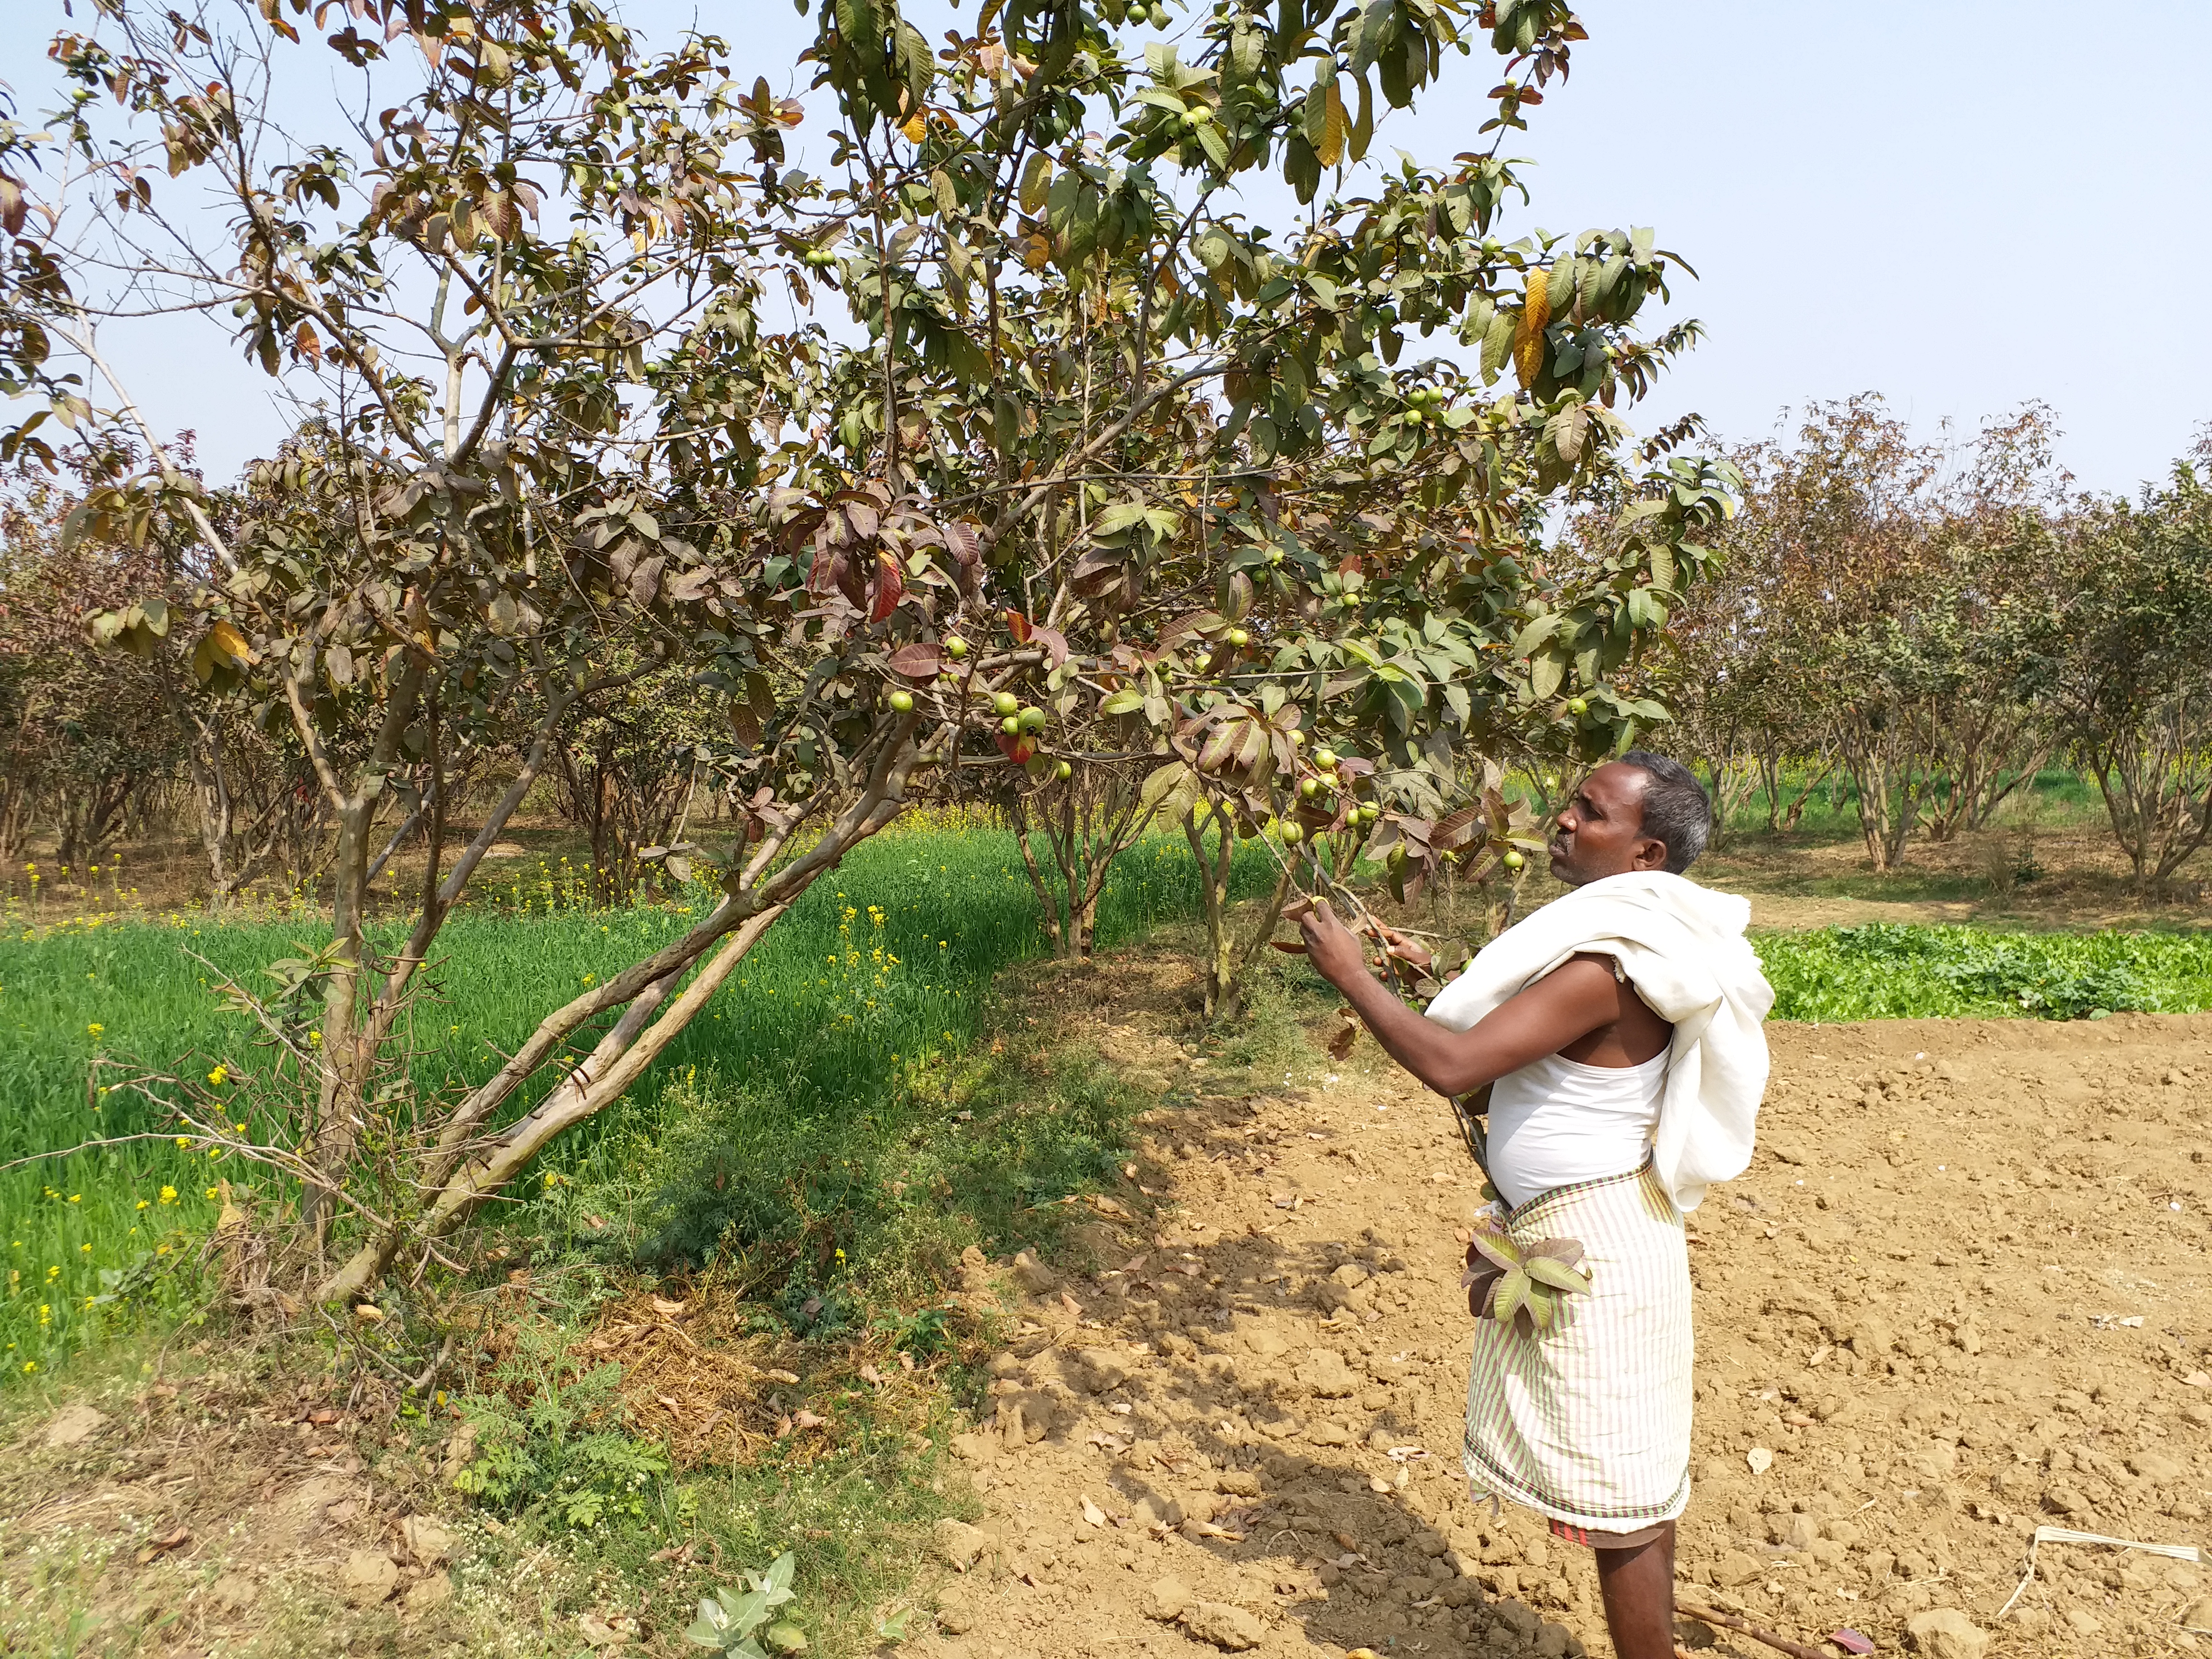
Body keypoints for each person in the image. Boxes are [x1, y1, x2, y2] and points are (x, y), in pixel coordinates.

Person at [1288, 753, 1773, 1659]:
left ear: (1646, 853)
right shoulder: (1623, 944)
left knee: (1621, 1497)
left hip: (1601, 1247)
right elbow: (1518, 1056)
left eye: (1589, 813)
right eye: (1571, 803)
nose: (1561, 819)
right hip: (1589, 1231)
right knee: (1628, 1479)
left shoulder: (1609, 965)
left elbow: (1454, 1066)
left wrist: (1353, 977)